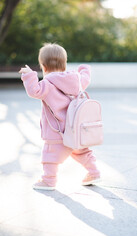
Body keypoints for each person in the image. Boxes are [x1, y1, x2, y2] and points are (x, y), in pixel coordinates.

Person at [19, 43, 100, 190]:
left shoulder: (47, 84)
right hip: (75, 129)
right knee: (82, 151)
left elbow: (33, 91)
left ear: (43, 66)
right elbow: (85, 78)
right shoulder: (76, 80)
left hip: (56, 132)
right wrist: (84, 69)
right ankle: (94, 172)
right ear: (64, 63)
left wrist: (29, 75)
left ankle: (48, 180)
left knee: (50, 156)